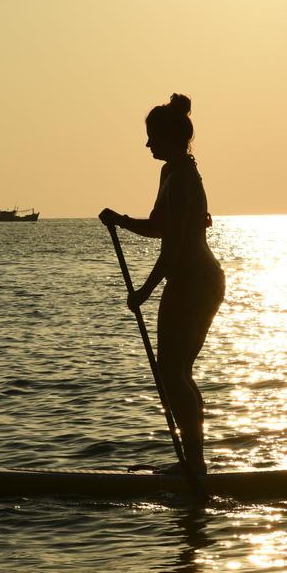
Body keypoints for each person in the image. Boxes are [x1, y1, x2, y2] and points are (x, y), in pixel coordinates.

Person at [100, 94, 224, 476]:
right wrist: (120, 220)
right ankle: (192, 461)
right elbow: (159, 228)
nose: (147, 144)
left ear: (169, 137)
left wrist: (143, 292)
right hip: (185, 282)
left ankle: (195, 464)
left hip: (198, 282)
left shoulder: (185, 178)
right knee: (176, 371)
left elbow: (172, 249)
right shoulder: (169, 173)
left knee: (173, 372)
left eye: (152, 136)